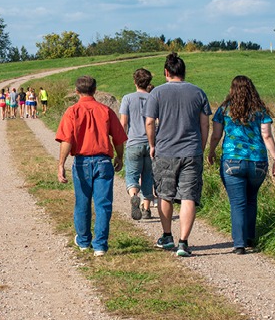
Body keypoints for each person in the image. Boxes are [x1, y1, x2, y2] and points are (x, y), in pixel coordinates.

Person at [144, 53, 211, 257]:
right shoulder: (198, 93)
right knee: (188, 196)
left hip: (165, 150)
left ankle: (167, 236)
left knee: (165, 194)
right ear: (183, 72)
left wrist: (152, 144)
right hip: (192, 151)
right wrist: (202, 145)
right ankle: (183, 242)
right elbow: (205, 123)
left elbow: (149, 122)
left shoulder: (157, 93)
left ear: (166, 72)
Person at [207, 76, 275, 254]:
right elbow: (267, 136)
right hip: (258, 161)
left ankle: (239, 243)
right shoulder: (260, 110)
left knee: (237, 202)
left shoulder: (224, 109)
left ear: (232, 89)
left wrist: (210, 151)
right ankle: (249, 237)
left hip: (232, 161)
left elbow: (216, 135)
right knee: (251, 199)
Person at [56, 75, 127, 257]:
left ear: (76, 91)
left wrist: (61, 164)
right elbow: (118, 138)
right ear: (95, 90)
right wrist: (120, 156)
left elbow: (66, 140)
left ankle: (83, 241)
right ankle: (100, 246)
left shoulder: (72, 111)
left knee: (82, 202)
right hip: (103, 161)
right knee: (103, 204)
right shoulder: (106, 111)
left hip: (81, 162)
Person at [119, 68, 155, 220]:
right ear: (148, 82)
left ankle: (134, 195)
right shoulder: (154, 98)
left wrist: (120, 142)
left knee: (132, 175)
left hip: (134, 142)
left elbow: (123, 123)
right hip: (151, 143)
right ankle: (146, 210)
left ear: (135, 81)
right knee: (148, 176)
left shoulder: (127, 98)